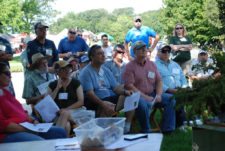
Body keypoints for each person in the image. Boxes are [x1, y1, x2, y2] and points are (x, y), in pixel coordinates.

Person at [0, 62, 67, 143]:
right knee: (42, 143)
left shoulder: (4, 92)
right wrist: (28, 129)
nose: (10, 76)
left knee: (60, 132)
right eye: (7, 73)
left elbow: (22, 111)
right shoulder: (30, 78)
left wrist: (32, 120)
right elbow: (4, 126)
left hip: (27, 125)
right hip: (10, 133)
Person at [123, 41, 176, 133]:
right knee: (142, 103)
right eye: (140, 48)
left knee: (171, 99)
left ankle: (167, 129)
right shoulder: (129, 66)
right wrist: (145, 97)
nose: (144, 49)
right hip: (137, 96)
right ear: (134, 51)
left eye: (145, 47)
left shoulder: (151, 64)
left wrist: (159, 95)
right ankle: (146, 129)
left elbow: (159, 81)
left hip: (152, 93)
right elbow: (129, 86)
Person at [79, 44, 134, 133]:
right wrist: (102, 104)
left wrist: (125, 91)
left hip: (111, 98)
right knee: (107, 104)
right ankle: (105, 130)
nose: (103, 55)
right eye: (100, 54)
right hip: (96, 101)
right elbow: (90, 94)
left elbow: (115, 88)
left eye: (103, 53)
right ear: (92, 57)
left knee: (130, 96)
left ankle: (126, 127)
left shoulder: (105, 70)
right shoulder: (86, 72)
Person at [22, 53, 71, 135]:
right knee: (66, 118)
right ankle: (57, 137)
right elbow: (27, 100)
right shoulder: (30, 78)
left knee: (67, 125)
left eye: (46, 62)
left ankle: (56, 139)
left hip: (57, 104)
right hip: (43, 109)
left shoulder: (51, 75)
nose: (46, 65)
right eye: (43, 63)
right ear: (36, 65)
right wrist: (42, 96)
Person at [155, 43, 188, 128]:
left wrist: (184, 88)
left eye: (168, 51)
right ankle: (181, 124)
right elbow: (155, 82)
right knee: (177, 97)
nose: (166, 53)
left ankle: (196, 120)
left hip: (179, 89)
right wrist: (169, 90)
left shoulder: (175, 64)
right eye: (163, 51)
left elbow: (183, 78)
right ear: (158, 52)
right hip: (165, 91)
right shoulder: (154, 65)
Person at [0, 21, 15, 96]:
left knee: (9, 96)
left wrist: (3, 56)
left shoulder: (4, 41)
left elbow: (11, 56)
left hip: (5, 74)